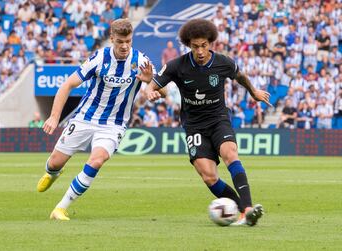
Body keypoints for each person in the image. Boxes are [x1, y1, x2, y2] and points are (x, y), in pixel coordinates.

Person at [142, 19, 270, 226]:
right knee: (209, 176)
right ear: (188, 45)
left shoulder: (223, 62)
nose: (200, 51)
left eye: (204, 45)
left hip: (218, 120)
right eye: (195, 46)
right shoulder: (177, 65)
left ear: (210, 43)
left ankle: (247, 208)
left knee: (230, 154)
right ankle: (242, 211)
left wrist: (253, 91)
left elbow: (240, 76)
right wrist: (150, 92)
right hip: (194, 126)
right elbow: (154, 83)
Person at [37, 19, 165, 220]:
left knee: (97, 160)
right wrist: (54, 117)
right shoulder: (99, 58)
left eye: (128, 41)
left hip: (114, 125)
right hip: (85, 118)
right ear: (112, 39)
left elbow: (163, 89)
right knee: (54, 162)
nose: (124, 46)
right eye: (120, 41)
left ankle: (60, 208)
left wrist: (151, 82)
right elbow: (67, 85)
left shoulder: (141, 61)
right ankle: (53, 173)